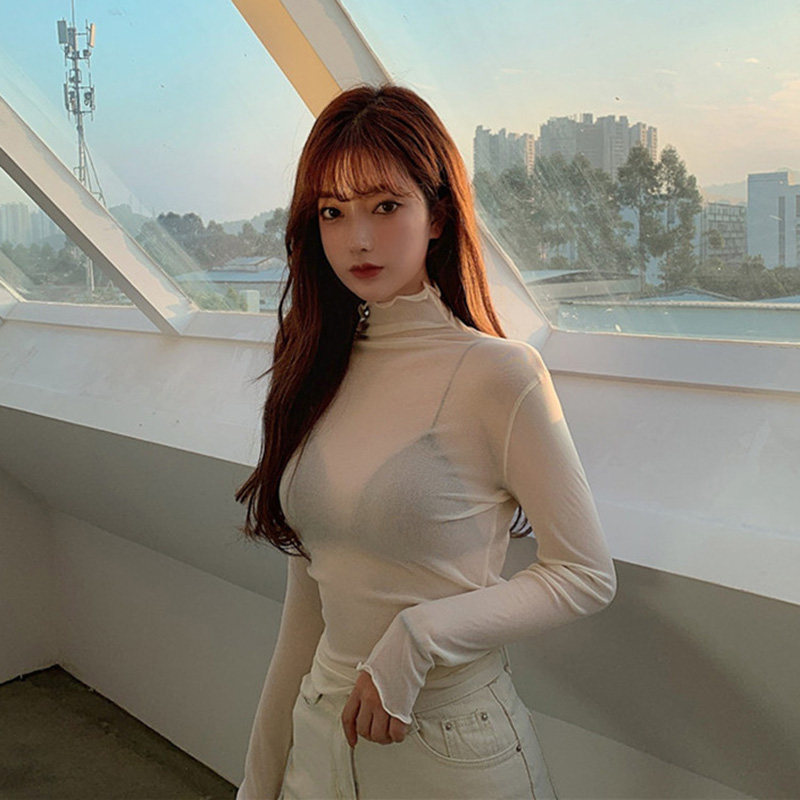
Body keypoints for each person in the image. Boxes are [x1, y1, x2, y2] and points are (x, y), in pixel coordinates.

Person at [234, 82, 617, 800]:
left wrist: (420, 636)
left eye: (385, 206)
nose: (358, 239)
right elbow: (306, 608)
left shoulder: (500, 375)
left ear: (437, 216)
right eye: (333, 211)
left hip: (450, 744)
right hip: (319, 733)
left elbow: (584, 574)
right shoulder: (312, 367)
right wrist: (258, 780)